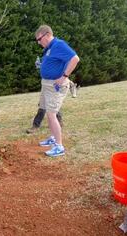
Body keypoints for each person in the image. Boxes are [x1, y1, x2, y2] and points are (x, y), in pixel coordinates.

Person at [35, 25, 80, 157]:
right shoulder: (49, 48)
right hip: (47, 84)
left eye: (39, 39)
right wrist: (42, 65)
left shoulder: (59, 45)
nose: (38, 42)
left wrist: (64, 76)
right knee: (48, 112)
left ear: (47, 35)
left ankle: (59, 146)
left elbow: (75, 59)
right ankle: (53, 138)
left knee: (51, 114)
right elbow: (54, 63)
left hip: (55, 86)